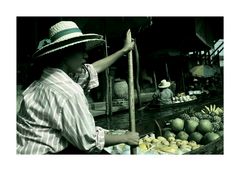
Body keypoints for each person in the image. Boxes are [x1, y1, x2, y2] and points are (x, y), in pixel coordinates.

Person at [17, 21, 139, 154]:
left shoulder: (47, 75)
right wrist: (125, 137)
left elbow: (93, 68)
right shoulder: (68, 91)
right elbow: (88, 140)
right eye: (81, 51)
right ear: (64, 53)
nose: (86, 56)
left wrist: (123, 50)